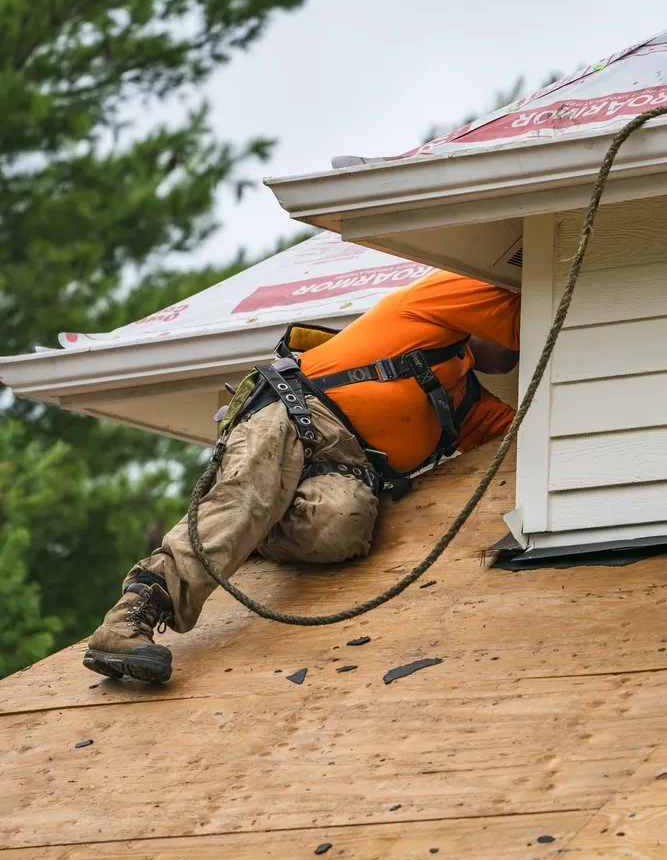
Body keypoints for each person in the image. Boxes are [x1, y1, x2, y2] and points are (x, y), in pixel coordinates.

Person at [83, 269, 520, 683]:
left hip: (346, 468)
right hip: (294, 410)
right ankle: (128, 618)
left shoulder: (470, 406)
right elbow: (519, 311)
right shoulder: (440, 300)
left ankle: (252, 533)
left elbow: (531, 440)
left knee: (340, 528)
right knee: (250, 499)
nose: (516, 349)